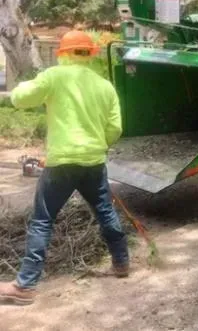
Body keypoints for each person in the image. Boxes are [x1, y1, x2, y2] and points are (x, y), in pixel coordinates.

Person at [0, 31, 129, 305]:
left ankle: (26, 285)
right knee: (105, 211)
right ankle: (121, 262)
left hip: (61, 162)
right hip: (93, 161)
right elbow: (115, 128)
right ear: (90, 53)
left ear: (63, 52)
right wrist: (97, 144)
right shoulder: (105, 86)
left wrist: (18, 91)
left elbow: (22, 98)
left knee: (42, 221)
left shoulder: (55, 76)